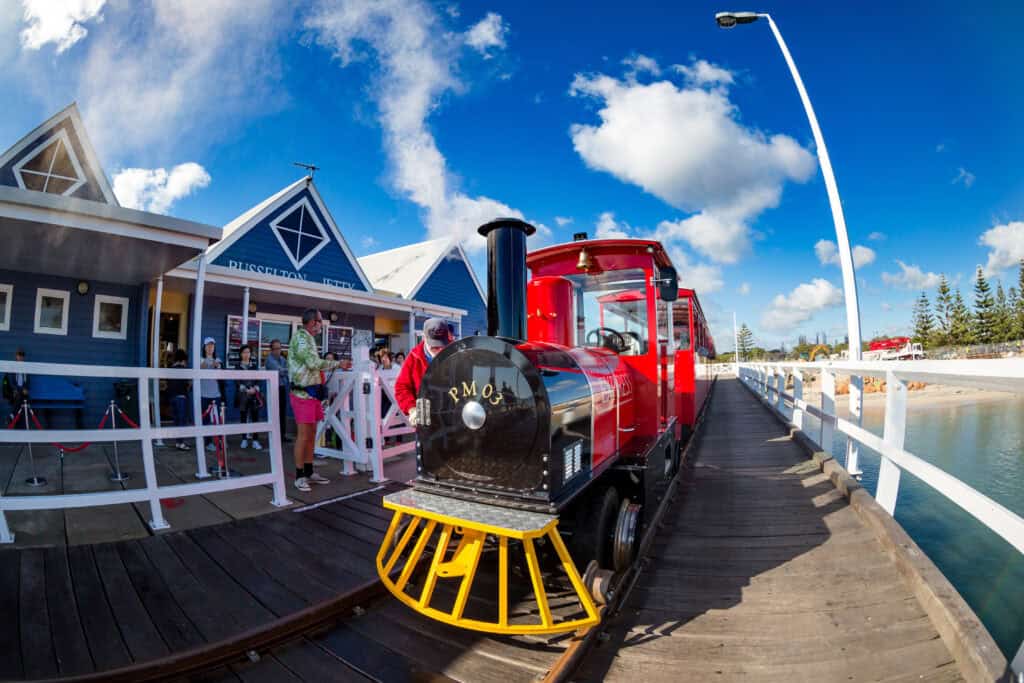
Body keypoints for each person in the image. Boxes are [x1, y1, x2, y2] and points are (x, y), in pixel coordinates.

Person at [289, 308, 344, 492]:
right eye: (320, 320)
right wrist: (338, 363)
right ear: (313, 322)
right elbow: (313, 363)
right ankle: (299, 476)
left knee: (312, 434)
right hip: (302, 394)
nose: (321, 324)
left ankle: (309, 471)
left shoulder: (309, 339)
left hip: (312, 394)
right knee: (303, 435)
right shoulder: (302, 338)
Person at [394, 318, 453, 422]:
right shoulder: (414, 357)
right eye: (434, 347)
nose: (438, 351)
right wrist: (412, 409)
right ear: (424, 338)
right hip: (425, 419)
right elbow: (402, 388)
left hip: (452, 418)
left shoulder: (456, 353)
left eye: (441, 346)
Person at [235, 345, 263, 450]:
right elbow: (237, 381)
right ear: (241, 354)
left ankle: (255, 440)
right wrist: (246, 390)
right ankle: (244, 439)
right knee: (243, 417)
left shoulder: (254, 366)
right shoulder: (238, 366)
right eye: (244, 352)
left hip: (253, 395)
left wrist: (254, 389)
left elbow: (258, 379)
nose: (246, 354)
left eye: (248, 352)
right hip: (243, 395)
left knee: (255, 417)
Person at [199, 337, 224, 453]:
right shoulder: (200, 359)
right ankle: (208, 442)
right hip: (204, 394)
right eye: (208, 345)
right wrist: (210, 362)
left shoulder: (218, 359)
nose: (210, 348)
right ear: (204, 347)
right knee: (205, 420)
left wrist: (214, 363)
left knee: (217, 419)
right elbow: (202, 366)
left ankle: (219, 440)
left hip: (216, 394)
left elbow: (217, 366)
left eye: (212, 345)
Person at [264, 339, 291, 442]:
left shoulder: (283, 359)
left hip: (282, 387)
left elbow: (287, 371)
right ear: (271, 349)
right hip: (273, 388)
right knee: (275, 413)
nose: (278, 350)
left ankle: (282, 436)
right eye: (275, 348)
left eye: (279, 348)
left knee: (282, 412)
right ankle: (275, 437)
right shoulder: (269, 360)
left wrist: (285, 371)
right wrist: (285, 371)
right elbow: (280, 371)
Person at [165, 349, 192, 450]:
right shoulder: (184, 369)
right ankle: (181, 442)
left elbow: (168, 382)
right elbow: (187, 385)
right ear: (183, 359)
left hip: (172, 397)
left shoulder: (170, 368)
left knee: (176, 420)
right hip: (181, 397)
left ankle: (178, 442)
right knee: (182, 420)